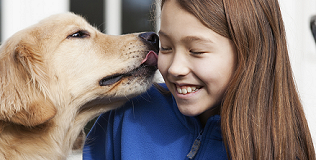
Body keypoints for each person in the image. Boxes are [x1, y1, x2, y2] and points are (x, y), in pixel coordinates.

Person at [83, 0, 316, 159]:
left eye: (196, 51)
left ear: (249, 53)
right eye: (165, 47)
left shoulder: (282, 148)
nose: (175, 68)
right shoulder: (129, 111)